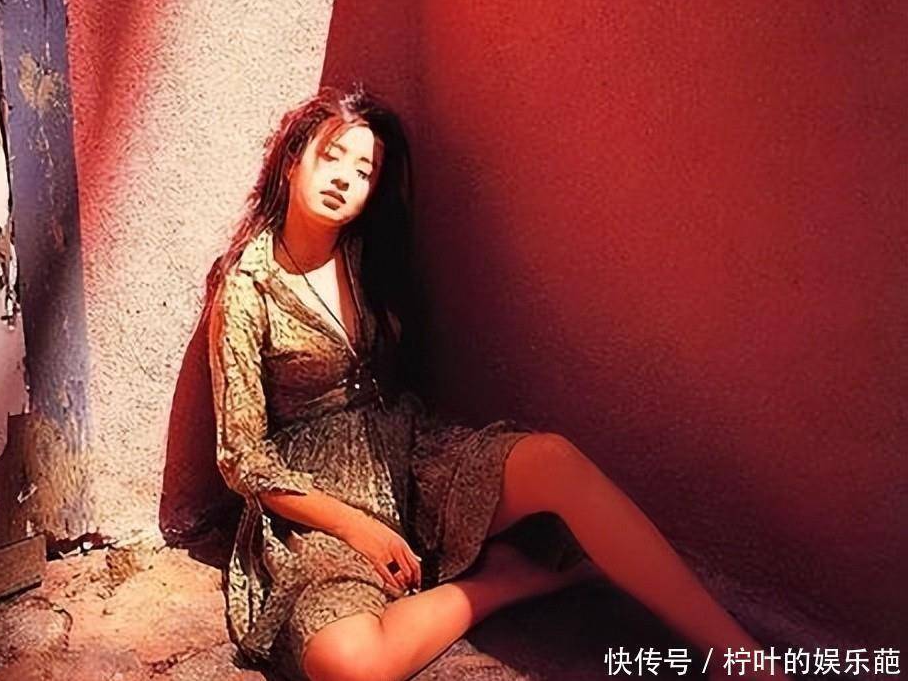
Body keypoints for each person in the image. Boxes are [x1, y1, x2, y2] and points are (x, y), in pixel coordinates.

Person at [207, 85, 762, 681]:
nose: (344, 179)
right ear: (293, 161)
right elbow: (241, 458)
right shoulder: (248, 286)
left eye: (364, 171)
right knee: (347, 663)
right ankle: (505, 583)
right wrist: (357, 526)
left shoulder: (368, 255)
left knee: (553, 460)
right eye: (332, 156)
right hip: (319, 501)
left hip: (408, 456)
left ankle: (745, 660)